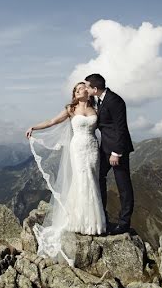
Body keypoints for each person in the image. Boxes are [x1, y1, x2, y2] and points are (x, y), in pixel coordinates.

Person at [25, 82, 106, 265]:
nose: (79, 91)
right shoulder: (71, 109)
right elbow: (52, 121)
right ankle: (78, 221)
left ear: (87, 91)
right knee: (81, 179)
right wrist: (34, 128)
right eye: (76, 90)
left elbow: (106, 127)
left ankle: (93, 223)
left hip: (93, 147)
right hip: (77, 148)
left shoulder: (96, 108)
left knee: (92, 180)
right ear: (75, 94)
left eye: (82, 88)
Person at [83, 74, 135, 235]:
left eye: (87, 86)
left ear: (95, 88)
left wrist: (117, 153)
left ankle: (124, 224)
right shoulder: (98, 100)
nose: (85, 89)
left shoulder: (115, 100)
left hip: (117, 151)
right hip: (105, 148)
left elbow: (121, 128)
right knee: (98, 177)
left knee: (123, 186)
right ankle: (102, 214)